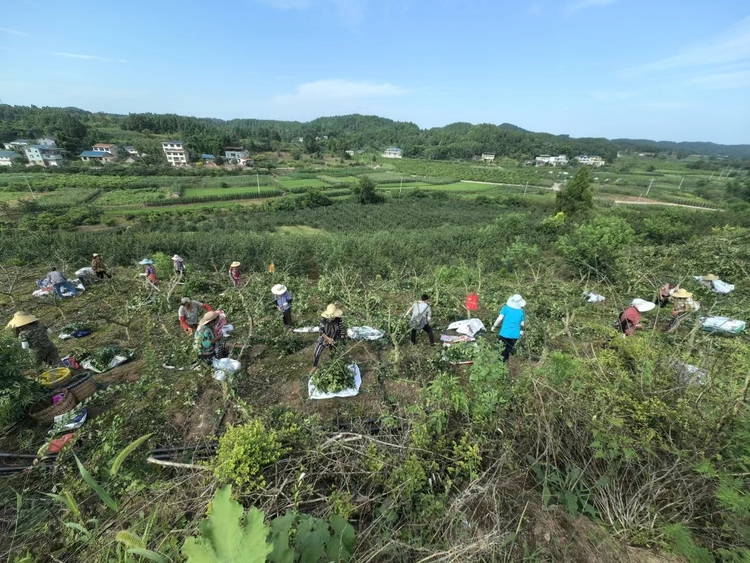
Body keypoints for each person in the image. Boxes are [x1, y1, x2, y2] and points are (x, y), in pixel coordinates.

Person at [311, 304, 346, 373]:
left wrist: (342, 338)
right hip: (324, 338)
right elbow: (321, 332)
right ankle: (314, 366)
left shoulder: (338, 320)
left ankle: (333, 363)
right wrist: (328, 339)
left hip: (334, 338)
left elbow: (342, 330)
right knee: (317, 352)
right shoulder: (323, 321)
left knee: (334, 352)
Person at [492, 294, 526, 362]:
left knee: (500, 349)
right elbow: (523, 324)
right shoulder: (521, 312)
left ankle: (497, 364)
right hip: (515, 335)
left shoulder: (506, 308)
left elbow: (499, 319)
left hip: (504, 333)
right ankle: (505, 364)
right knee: (507, 350)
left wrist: (494, 326)